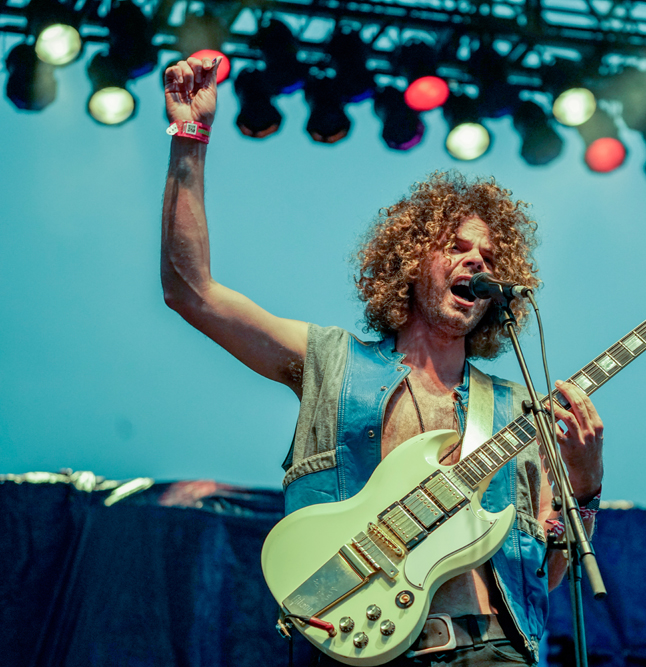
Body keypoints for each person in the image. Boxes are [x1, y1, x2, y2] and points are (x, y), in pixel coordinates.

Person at [161, 56, 605, 667]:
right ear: (409, 260)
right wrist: (190, 141)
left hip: (495, 650)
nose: (476, 262)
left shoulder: (515, 407)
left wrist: (585, 486)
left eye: (489, 256)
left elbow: (550, 574)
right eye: (455, 246)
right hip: (361, 646)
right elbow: (193, 293)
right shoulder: (330, 361)